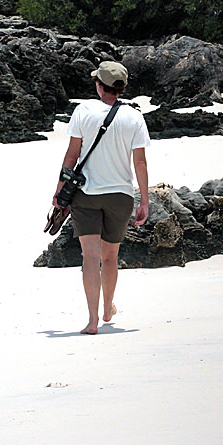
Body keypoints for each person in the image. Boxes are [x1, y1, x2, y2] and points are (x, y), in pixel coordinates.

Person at [54, 61, 150, 335]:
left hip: (86, 195)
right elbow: (140, 163)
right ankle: (108, 308)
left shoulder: (83, 111)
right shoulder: (134, 116)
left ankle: (93, 321)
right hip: (120, 196)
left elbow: (71, 157)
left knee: (90, 258)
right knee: (110, 258)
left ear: (99, 85)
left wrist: (60, 189)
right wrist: (144, 200)